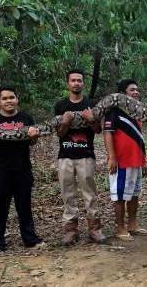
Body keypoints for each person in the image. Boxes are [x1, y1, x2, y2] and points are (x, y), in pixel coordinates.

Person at [0, 86, 44, 253]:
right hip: (2, 169)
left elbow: (32, 143)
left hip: (23, 168)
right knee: (0, 206)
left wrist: (34, 137)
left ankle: (30, 240)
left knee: (24, 205)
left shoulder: (26, 118)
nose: (8, 101)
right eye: (4, 98)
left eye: (11, 97)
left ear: (17, 99)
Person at [54, 69, 106, 245]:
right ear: (67, 83)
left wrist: (91, 119)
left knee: (89, 193)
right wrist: (66, 123)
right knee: (68, 193)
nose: (76, 83)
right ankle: (70, 231)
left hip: (86, 154)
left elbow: (98, 130)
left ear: (83, 84)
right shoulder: (60, 106)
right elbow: (59, 134)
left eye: (79, 80)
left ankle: (95, 229)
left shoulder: (91, 103)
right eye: (73, 80)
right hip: (65, 156)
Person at [103, 79, 147, 241]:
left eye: (137, 89)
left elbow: (139, 139)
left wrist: (144, 161)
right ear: (123, 94)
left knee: (134, 194)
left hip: (136, 161)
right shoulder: (113, 111)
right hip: (121, 161)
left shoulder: (137, 112)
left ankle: (132, 224)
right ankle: (120, 228)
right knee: (120, 196)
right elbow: (108, 133)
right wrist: (112, 157)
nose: (136, 92)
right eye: (132, 90)